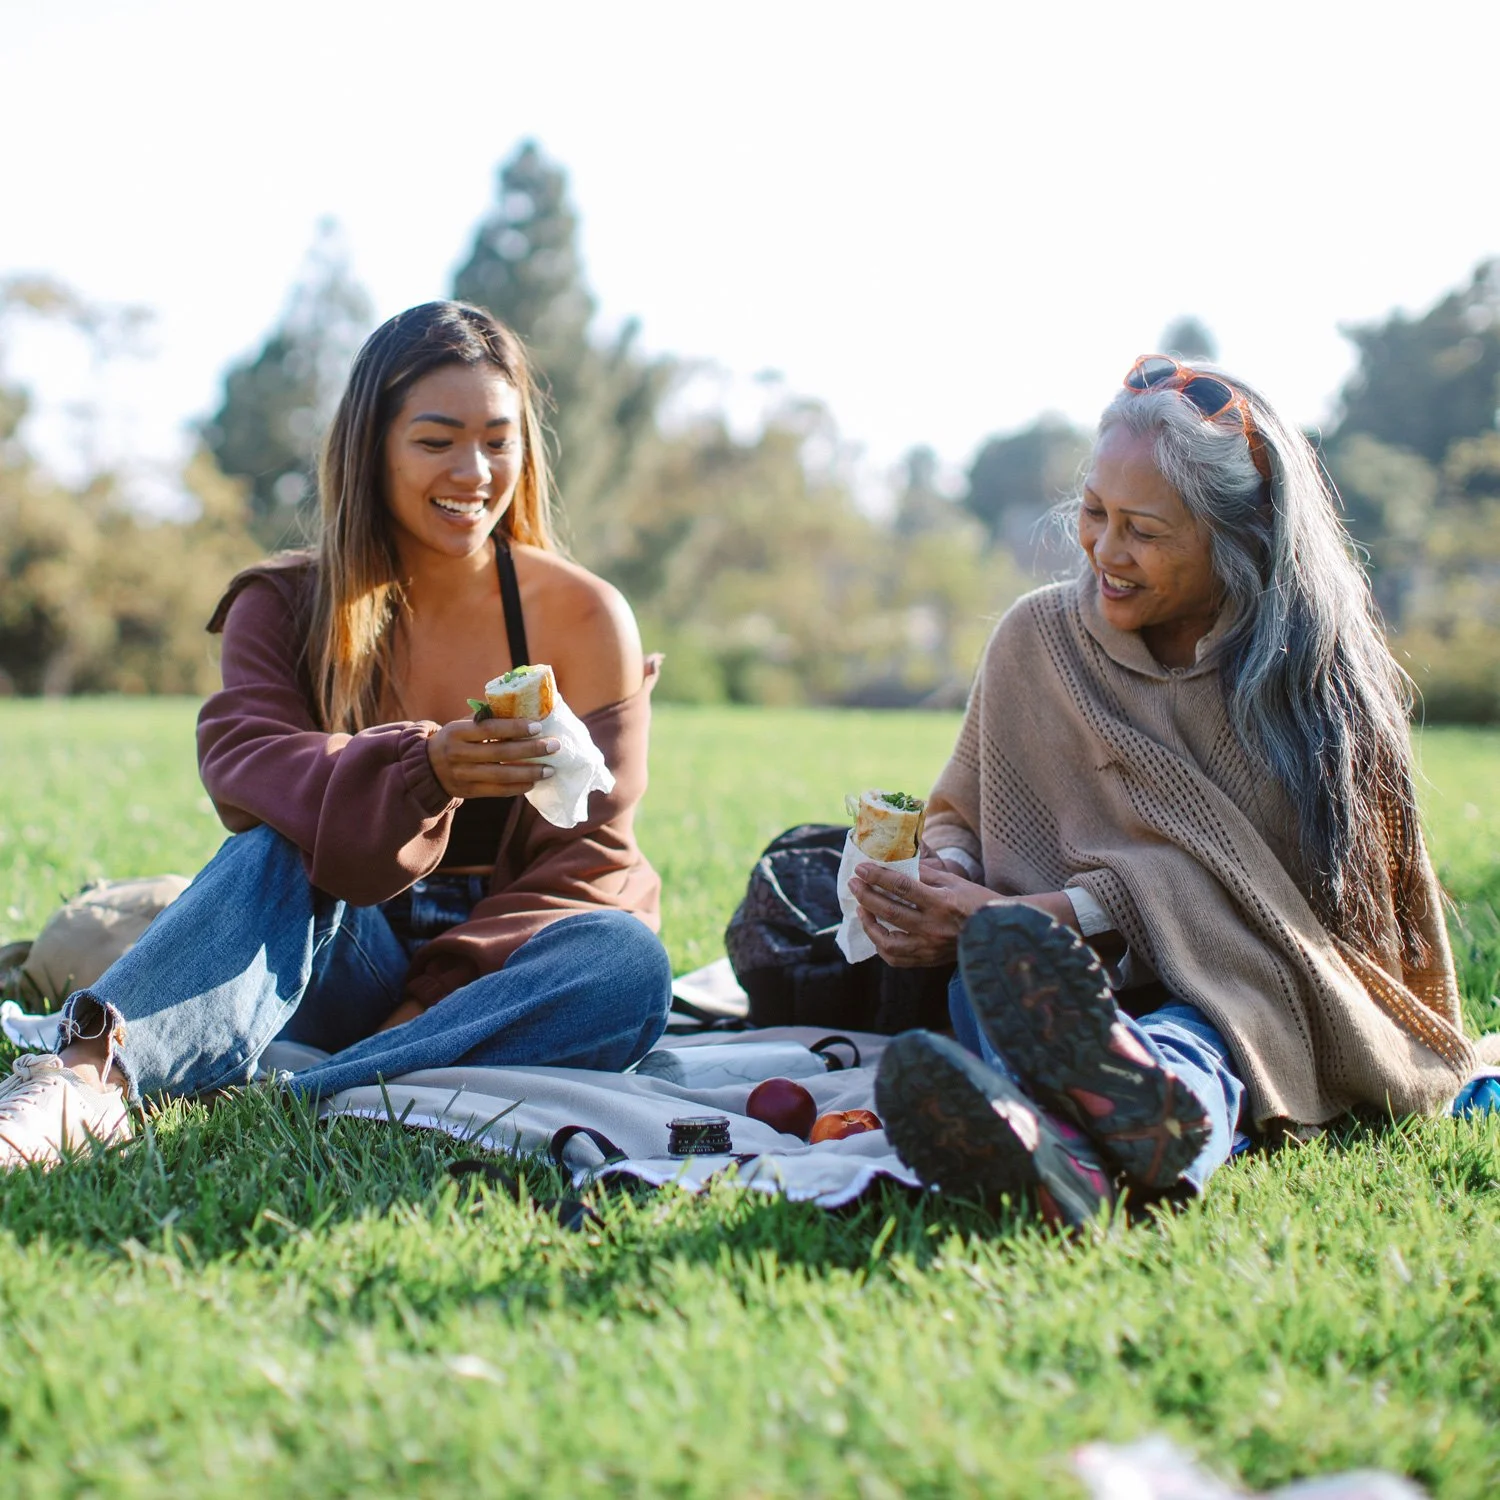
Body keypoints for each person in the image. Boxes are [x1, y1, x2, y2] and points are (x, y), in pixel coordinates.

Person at [0, 301, 672, 1167]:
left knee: (625, 963)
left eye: (498, 441)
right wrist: (419, 768)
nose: (474, 471)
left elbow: (591, 859)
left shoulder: (583, 614)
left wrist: (436, 994)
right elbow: (245, 761)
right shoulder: (282, 605)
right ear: (374, 447)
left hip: (506, 968)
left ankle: (313, 1095)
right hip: (337, 945)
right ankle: (85, 1080)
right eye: (436, 441)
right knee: (277, 848)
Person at [856, 355, 1481, 1226]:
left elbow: (1283, 917)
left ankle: (1101, 1128)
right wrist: (944, 878)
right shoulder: (1035, 640)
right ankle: (1078, 1148)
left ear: (1237, 536)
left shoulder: (1313, 682)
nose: (1106, 551)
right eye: (1094, 514)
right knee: (994, 984)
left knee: (1204, 1024)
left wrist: (1067, 911)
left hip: (1246, 987)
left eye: (1143, 531)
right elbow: (963, 807)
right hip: (1059, 976)